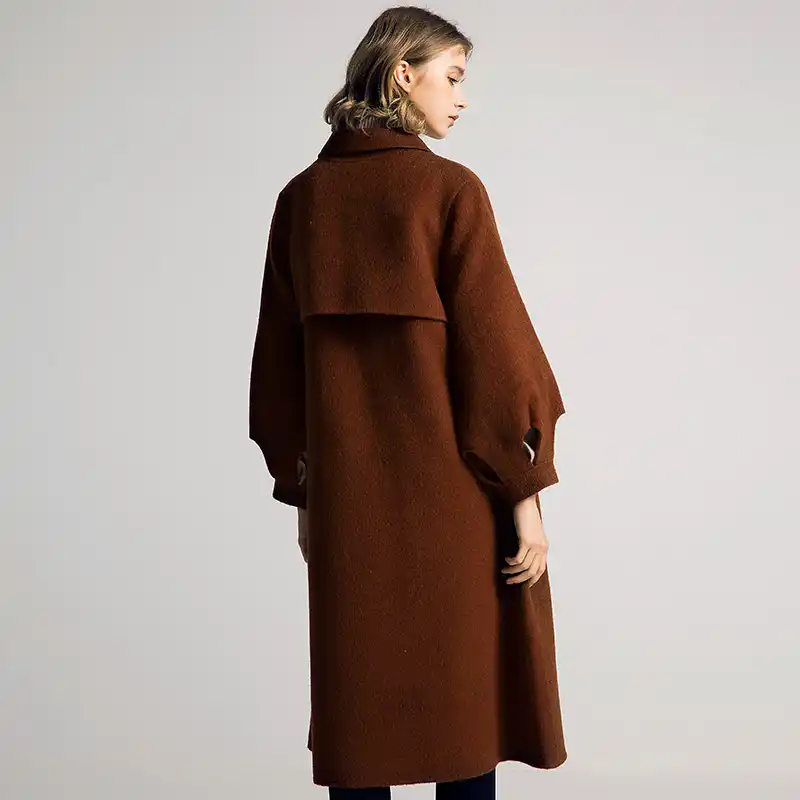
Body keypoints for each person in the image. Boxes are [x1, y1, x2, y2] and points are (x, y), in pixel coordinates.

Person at [249, 6, 568, 798]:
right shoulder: (450, 192)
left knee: (363, 718)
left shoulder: (301, 201)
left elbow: (279, 375)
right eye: (452, 77)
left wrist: (307, 497)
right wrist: (526, 498)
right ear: (403, 73)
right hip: (456, 509)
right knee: (466, 718)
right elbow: (498, 365)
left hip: (349, 511)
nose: (462, 98)